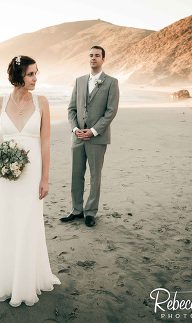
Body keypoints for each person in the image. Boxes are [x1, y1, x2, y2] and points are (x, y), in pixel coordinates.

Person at [0, 55, 60, 307]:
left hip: (32, 174)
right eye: (31, 74)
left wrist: (45, 178)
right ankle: (3, 279)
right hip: (5, 174)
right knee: (6, 220)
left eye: (37, 73)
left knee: (27, 222)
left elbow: (45, 143)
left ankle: (25, 281)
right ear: (18, 76)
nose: (36, 78)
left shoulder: (42, 102)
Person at [60, 46, 120, 227]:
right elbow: (71, 109)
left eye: (97, 56)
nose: (93, 58)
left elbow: (111, 112)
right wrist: (75, 128)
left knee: (95, 176)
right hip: (78, 137)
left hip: (97, 138)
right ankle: (76, 210)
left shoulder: (111, 82)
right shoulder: (79, 81)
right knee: (76, 175)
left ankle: (91, 212)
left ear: (103, 59)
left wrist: (93, 131)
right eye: (91, 56)